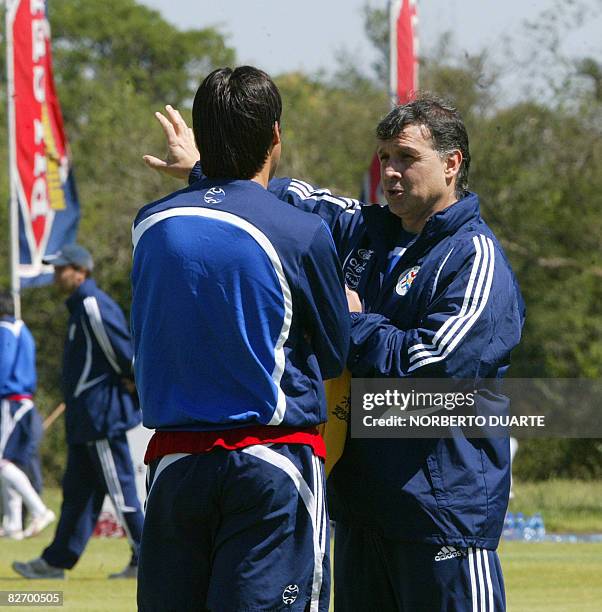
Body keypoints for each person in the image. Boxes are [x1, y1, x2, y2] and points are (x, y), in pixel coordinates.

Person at [146, 95, 525, 611]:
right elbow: (263, 198)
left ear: (452, 163)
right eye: (384, 157)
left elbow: (435, 366)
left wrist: (351, 320)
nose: (390, 172)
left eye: (406, 158)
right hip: (360, 513)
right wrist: (201, 172)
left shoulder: (474, 256)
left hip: (442, 517)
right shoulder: (363, 229)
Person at [132, 66, 349, 612]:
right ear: (275, 135)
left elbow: (214, 218)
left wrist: (200, 174)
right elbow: (334, 354)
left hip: (175, 464)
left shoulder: (148, 224)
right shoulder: (301, 230)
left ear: (201, 139)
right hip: (270, 463)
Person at [13, 244, 144, 580]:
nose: (57, 275)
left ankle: (146, 558)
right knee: (77, 496)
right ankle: (56, 563)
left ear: (81, 271)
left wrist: (135, 385)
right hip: (84, 421)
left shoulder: (91, 306)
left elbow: (123, 354)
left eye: (62, 269)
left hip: (101, 418)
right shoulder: (78, 308)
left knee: (120, 491)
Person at [0, 290, 55, 540]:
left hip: (11, 402)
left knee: (2, 463)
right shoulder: (22, 329)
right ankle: (12, 523)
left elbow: (3, 364)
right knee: (9, 461)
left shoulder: (5, 329)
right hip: (22, 400)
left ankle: (39, 510)